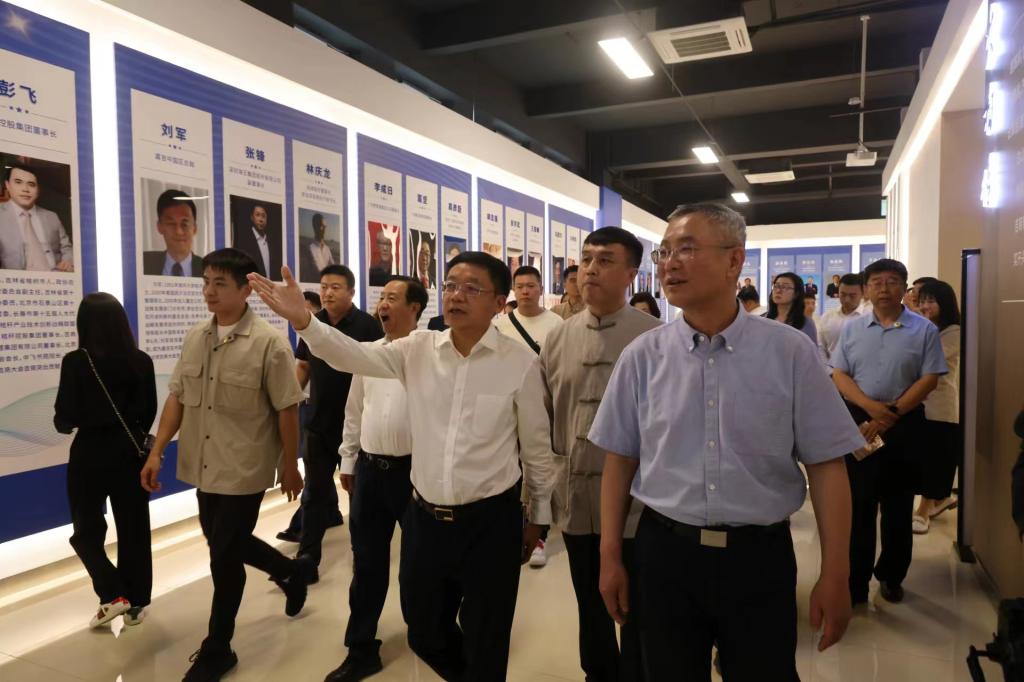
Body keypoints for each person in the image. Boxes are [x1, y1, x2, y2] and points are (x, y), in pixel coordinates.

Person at [248, 252, 555, 682]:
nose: (456, 295)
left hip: (491, 520)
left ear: (498, 302)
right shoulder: (418, 349)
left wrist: (538, 518)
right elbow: (351, 356)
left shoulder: (519, 363)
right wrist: (304, 321)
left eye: (471, 288)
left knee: (488, 632)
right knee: (423, 629)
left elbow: (537, 450)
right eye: (451, 285)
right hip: (426, 519)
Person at [592, 203, 863, 680]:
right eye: (664, 252)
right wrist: (610, 556)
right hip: (665, 554)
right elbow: (620, 459)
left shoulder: (790, 352)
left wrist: (836, 572)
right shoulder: (643, 356)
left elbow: (827, 466)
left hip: (759, 557)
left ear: (734, 260)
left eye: (687, 249)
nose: (670, 264)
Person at [139, 248, 313, 682]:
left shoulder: (269, 343)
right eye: (206, 282)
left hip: (245, 466)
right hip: (204, 464)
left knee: (223, 557)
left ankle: (219, 647)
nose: (209, 292)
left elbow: (287, 408)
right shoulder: (196, 336)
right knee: (223, 544)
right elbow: (178, 396)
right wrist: (157, 450)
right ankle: (290, 571)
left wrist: (290, 464)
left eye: (220, 283)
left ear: (245, 289)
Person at [541, 226, 660, 682]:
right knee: (588, 603)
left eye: (605, 260)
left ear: (632, 274)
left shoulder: (655, 339)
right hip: (576, 497)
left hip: (639, 505)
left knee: (638, 607)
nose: (590, 269)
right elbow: (545, 416)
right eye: (587, 258)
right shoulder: (558, 338)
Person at [829, 258, 947, 605]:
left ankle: (892, 577)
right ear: (867, 289)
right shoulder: (852, 329)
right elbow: (839, 374)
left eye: (892, 281)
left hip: (904, 422)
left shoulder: (923, 330)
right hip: (859, 422)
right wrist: (870, 408)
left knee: (898, 506)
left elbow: (930, 378)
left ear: (905, 288)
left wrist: (889, 414)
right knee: (859, 507)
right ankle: (856, 581)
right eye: (876, 282)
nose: (884, 288)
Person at [326, 276, 426, 682]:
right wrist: (348, 461)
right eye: (381, 297)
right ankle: (361, 647)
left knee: (419, 565)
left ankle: (427, 634)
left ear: (415, 308)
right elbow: (355, 411)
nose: (382, 303)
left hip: (416, 475)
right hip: (370, 472)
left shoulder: (429, 354)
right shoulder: (367, 354)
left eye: (392, 297)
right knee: (366, 563)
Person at [54, 293, 157, 628]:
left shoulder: (76, 362)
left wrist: (74, 419)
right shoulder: (141, 361)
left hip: (90, 452)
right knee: (134, 528)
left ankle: (112, 592)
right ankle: (136, 602)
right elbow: (149, 411)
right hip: (131, 451)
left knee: (86, 529)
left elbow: (64, 417)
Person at [284, 265, 384, 571]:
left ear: (351, 292)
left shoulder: (368, 326)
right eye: (324, 287)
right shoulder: (313, 324)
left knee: (358, 496)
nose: (327, 293)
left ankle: (362, 555)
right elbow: (303, 365)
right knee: (314, 494)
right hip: (318, 425)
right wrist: (289, 399)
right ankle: (308, 559)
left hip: (357, 428)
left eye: (335, 287)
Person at [912, 280, 962, 534]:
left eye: (930, 301)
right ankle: (939, 501)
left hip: (940, 407)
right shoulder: (923, 327)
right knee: (923, 459)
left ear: (945, 303)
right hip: (918, 404)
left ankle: (924, 510)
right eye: (922, 301)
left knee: (935, 460)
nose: (925, 306)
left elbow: (929, 361)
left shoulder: (954, 331)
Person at [0, 161, 74, 272]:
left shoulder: (51, 216)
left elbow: (66, 247)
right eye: (18, 182)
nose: (25, 189)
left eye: (31, 184)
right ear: (7, 185)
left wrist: (68, 260)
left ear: (38, 189)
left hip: (55, 277)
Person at [494, 265, 563, 356]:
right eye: (519, 287)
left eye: (530, 286)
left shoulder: (556, 323)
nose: (525, 291)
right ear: (514, 290)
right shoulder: (499, 325)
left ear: (541, 290)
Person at [143, 190, 204, 277]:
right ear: (159, 226)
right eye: (171, 224)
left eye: (184, 224)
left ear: (194, 228)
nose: (179, 232)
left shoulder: (208, 268)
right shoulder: (144, 262)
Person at [819, 274, 867, 361]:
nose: (847, 300)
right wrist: (827, 368)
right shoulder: (827, 317)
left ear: (862, 294)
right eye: (843, 294)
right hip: (830, 367)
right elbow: (820, 347)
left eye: (852, 296)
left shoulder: (870, 318)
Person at [767, 272, 818, 344]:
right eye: (776, 286)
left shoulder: (806, 323)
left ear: (796, 293)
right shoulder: (763, 318)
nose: (778, 290)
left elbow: (811, 349)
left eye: (785, 287)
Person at [232, 203, 280, 278]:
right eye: (257, 215)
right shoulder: (243, 241)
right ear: (252, 218)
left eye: (263, 216)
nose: (261, 219)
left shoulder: (273, 242)